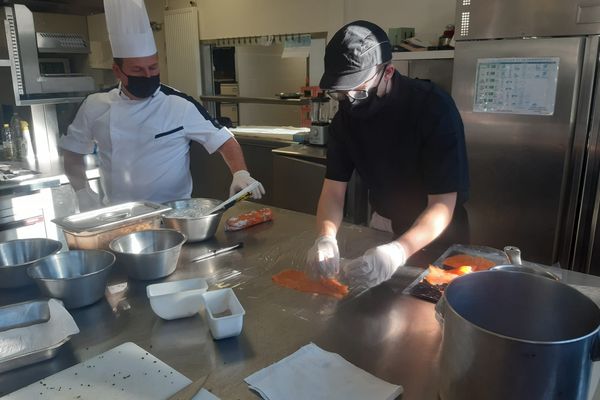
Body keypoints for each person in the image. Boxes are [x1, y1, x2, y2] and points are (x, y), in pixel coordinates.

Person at [306, 20, 469, 289]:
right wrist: (326, 238)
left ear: (388, 72)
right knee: (379, 309)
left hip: (438, 234)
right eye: (340, 94)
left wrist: (399, 251)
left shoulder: (433, 108)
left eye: (358, 91)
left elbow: (443, 203)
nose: (349, 101)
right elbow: (333, 190)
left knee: (429, 318)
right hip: (384, 223)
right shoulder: (345, 119)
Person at [61, 0, 264, 211]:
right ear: (117, 71)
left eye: (153, 67)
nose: (148, 75)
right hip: (119, 216)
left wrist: (240, 173)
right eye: (138, 70)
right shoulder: (94, 105)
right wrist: (81, 192)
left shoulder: (179, 104)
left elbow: (223, 139)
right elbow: (73, 153)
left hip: (175, 214)